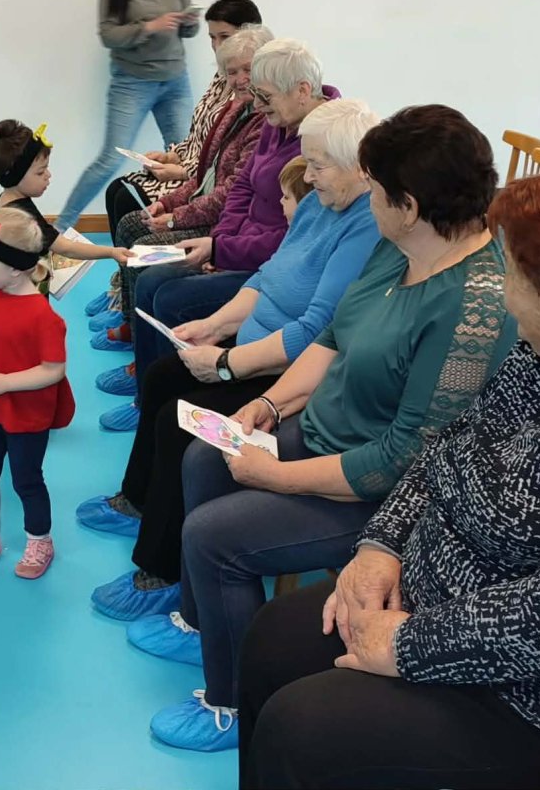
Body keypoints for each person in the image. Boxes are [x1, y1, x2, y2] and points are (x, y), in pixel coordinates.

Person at [238, 150, 540, 789]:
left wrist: (406, 645)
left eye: (514, 274)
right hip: (431, 600)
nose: (503, 292)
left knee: (301, 729)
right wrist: (380, 548)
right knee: (273, 639)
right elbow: (446, 447)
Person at [132, 104, 519, 753]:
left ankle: (230, 703)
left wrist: (275, 475)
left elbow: (403, 460)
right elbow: (335, 335)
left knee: (212, 536)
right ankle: (203, 624)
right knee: (203, 457)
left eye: (376, 188)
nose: (366, 197)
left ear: (408, 205)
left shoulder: (471, 306)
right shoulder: (399, 249)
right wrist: (270, 404)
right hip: (328, 432)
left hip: (379, 491)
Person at [82, 99, 383, 612]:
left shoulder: (365, 226)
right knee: (161, 377)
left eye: (317, 164)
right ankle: (139, 500)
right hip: (254, 345)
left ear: (358, 166)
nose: (307, 175)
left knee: (178, 422)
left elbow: (317, 331)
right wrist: (215, 326)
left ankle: (162, 572)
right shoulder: (320, 200)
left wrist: (225, 364)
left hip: (285, 371)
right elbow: (267, 276)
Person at [99, 38, 341, 431]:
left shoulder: (322, 150)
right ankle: (148, 392)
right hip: (237, 248)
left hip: (259, 262)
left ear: (301, 90)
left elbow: (287, 241)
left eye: (264, 95)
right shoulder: (279, 122)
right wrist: (219, 242)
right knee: (152, 278)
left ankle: (169, 400)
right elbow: (240, 186)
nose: (257, 105)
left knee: (166, 292)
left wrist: (222, 250)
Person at [93, 25, 273, 379]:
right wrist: (168, 205)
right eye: (232, 71)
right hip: (218, 221)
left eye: (246, 70)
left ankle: (146, 364)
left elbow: (228, 194)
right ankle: (134, 329)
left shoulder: (263, 122)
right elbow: (205, 171)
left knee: (145, 253)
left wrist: (181, 220)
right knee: (132, 222)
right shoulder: (234, 108)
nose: (239, 79)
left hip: (220, 224)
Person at [0, 207, 75, 580]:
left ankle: (40, 540)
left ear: (16, 269)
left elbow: (53, 370)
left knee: (26, 479)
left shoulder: (43, 316)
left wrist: (6, 382)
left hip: (28, 415)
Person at [55, 0, 200, 233]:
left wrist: (190, 23)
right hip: (132, 83)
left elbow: (188, 31)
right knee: (110, 159)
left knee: (188, 160)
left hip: (176, 81)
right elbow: (108, 35)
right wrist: (150, 27)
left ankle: (182, 229)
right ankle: (58, 229)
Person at [0, 119, 133, 280]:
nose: (48, 175)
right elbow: (66, 248)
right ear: (16, 177)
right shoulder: (24, 217)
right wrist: (111, 252)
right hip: (26, 288)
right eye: (40, 172)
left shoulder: (4, 200)